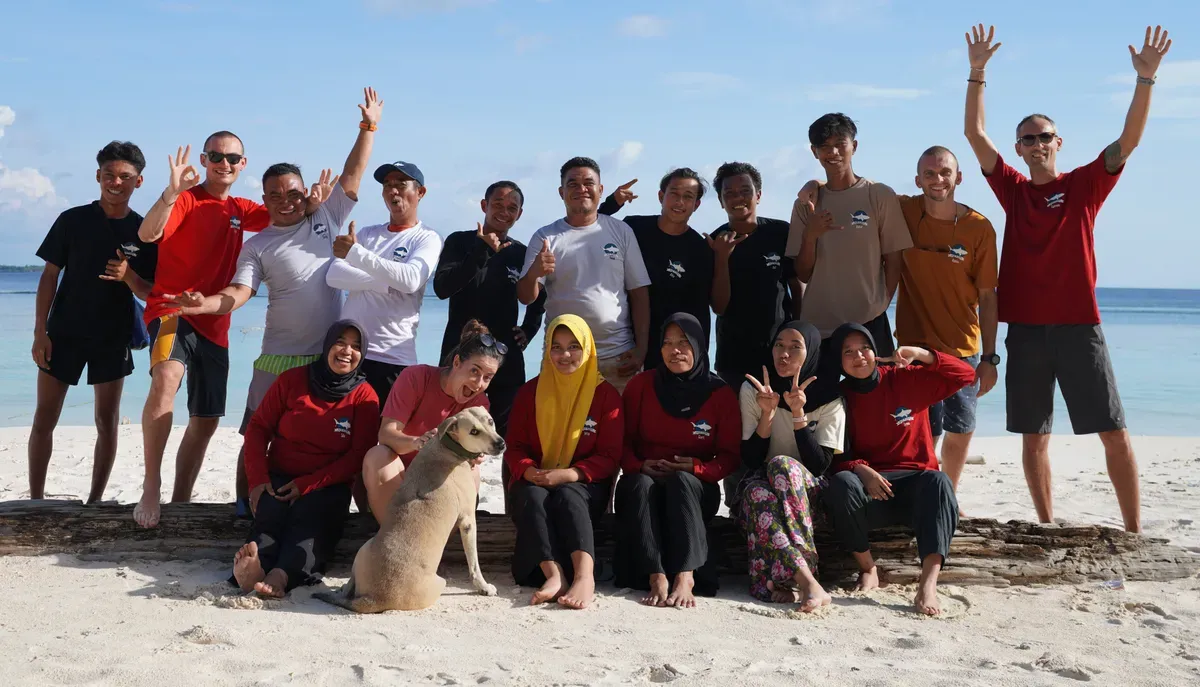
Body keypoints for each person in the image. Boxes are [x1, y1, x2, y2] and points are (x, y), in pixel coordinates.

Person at [963, 24, 1172, 532]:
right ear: (1019, 148)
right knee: (1034, 437)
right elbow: (974, 135)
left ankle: (1134, 532)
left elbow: (1129, 141)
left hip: (1081, 327)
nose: (1037, 144)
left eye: (1045, 137)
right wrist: (977, 73)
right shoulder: (1014, 191)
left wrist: (1145, 81)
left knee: (1114, 432)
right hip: (1029, 332)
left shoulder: (1083, 186)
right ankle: (1047, 525)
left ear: (1059, 142)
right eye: (1028, 138)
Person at [162, 87, 382, 516]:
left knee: (336, 439)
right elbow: (238, 294)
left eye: (293, 194)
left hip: (327, 358)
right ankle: (245, 507)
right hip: (277, 358)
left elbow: (354, 174)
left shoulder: (325, 217)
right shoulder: (257, 245)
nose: (286, 202)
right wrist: (201, 304)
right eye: (275, 197)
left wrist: (368, 127)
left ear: (306, 194)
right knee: (256, 436)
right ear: (263, 201)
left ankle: (347, 513)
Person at [796, 145, 999, 498]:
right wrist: (814, 183)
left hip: (963, 344)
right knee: (918, 426)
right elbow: (850, 187)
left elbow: (988, 296)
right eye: (930, 174)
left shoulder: (978, 227)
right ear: (918, 179)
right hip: (912, 343)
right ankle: (922, 486)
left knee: (961, 427)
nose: (938, 180)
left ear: (959, 177)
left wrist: (991, 358)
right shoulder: (904, 209)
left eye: (945, 173)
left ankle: (947, 493)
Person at [133, 131, 286, 528]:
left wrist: (318, 203)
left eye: (233, 158)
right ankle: (152, 484)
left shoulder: (241, 208)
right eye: (216, 156)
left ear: (243, 164)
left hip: (215, 321)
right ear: (203, 160)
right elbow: (148, 234)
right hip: (171, 310)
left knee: (205, 420)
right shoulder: (185, 198)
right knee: (166, 377)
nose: (225, 163)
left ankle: (180, 500)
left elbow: (287, 215)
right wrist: (169, 193)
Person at [30, 141, 157, 503]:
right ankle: (35, 501)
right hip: (64, 333)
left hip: (113, 336)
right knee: (44, 418)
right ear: (98, 176)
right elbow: (49, 276)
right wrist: (40, 332)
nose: (115, 182)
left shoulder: (144, 231)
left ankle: (95, 501)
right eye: (108, 175)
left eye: (125, 177)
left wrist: (129, 276)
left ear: (139, 181)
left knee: (107, 420)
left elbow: (152, 292)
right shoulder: (72, 220)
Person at [822, 323, 974, 616]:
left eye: (864, 348)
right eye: (848, 352)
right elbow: (832, 454)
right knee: (841, 483)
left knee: (940, 481)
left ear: (876, 351)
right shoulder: (837, 397)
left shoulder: (905, 379)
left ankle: (928, 584)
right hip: (871, 493)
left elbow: (966, 375)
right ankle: (868, 568)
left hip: (917, 488)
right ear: (839, 361)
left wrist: (920, 353)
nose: (859, 357)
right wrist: (861, 470)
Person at [232, 321, 380, 597]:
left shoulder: (364, 396)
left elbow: (359, 455)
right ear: (326, 346)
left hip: (328, 484)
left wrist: (308, 484)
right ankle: (254, 568)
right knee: (270, 515)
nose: (347, 351)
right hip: (279, 477)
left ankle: (281, 574)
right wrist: (258, 480)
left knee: (311, 521)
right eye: (341, 342)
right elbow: (258, 428)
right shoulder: (292, 380)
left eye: (356, 346)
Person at [785, 113, 911, 409]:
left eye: (840, 144)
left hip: (868, 323)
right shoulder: (807, 203)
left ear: (854, 145)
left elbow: (894, 258)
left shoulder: (877, 194)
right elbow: (802, 273)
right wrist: (811, 235)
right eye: (824, 146)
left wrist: (881, 302)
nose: (833, 152)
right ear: (815, 153)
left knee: (879, 406)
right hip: (820, 325)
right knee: (825, 409)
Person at [614, 313, 738, 608]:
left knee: (682, 481)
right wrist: (639, 465)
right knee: (638, 484)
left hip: (695, 488)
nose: (675, 350)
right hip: (646, 480)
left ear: (699, 346)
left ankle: (686, 575)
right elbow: (622, 441)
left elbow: (731, 456)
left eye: (683, 342)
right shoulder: (641, 385)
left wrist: (696, 468)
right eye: (667, 343)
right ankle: (655, 574)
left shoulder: (720, 393)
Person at [503, 315, 622, 609]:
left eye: (573, 347)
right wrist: (530, 471)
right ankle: (554, 575)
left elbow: (609, 457)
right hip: (538, 478)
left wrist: (570, 474)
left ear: (587, 349)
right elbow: (514, 448)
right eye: (556, 347)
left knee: (568, 495)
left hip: (584, 483)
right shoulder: (530, 392)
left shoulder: (605, 395)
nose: (564, 355)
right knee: (529, 493)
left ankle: (584, 577)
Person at [734, 321, 844, 612]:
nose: (784, 354)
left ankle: (778, 580)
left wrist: (798, 414)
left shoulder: (830, 396)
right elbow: (752, 459)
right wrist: (767, 413)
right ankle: (806, 580)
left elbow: (820, 465)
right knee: (759, 493)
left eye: (795, 348)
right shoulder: (755, 389)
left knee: (783, 465)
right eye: (779, 346)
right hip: (764, 483)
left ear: (811, 353)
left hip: (809, 495)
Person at [517, 157, 652, 394]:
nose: (581, 189)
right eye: (573, 184)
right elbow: (526, 297)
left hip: (617, 357)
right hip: (563, 359)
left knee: (620, 430)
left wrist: (641, 350)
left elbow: (639, 293)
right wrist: (534, 273)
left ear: (600, 190)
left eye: (589, 183)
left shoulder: (621, 231)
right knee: (561, 431)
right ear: (561, 192)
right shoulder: (545, 237)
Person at [433, 180, 545, 438]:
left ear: (520, 214)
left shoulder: (521, 253)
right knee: (453, 431)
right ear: (484, 205)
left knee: (508, 434)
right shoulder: (459, 242)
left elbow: (540, 297)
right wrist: (481, 251)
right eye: (497, 204)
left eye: (512, 207)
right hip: (460, 352)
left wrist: (528, 330)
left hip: (505, 356)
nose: (504, 211)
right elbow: (442, 288)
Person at [360, 321, 503, 523]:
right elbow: (386, 434)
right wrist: (418, 442)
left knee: (473, 471)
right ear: (456, 362)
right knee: (377, 456)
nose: (479, 383)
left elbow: (470, 458)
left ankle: (436, 544)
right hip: (400, 481)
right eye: (474, 371)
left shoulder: (479, 404)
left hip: (439, 487)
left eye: (487, 377)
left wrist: (474, 454)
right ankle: (393, 535)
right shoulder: (416, 377)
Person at [326, 158, 442, 404]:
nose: (393, 190)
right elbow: (334, 275)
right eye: (387, 185)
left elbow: (411, 280)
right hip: (351, 354)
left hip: (393, 357)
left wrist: (356, 254)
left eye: (401, 183)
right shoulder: (368, 233)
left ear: (420, 192)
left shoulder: (427, 238)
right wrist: (385, 281)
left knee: (383, 437)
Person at [596, 170, 714, 371]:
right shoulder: (634, 227)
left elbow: (700, 311)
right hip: (623, 341)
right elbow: (591, 228)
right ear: (661, 196)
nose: (679, 202)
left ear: (696, 204)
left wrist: (699, 359)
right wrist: (612, 203)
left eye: (688, 197)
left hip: (669, 349)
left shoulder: (700, 249)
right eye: (674, 194)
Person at [707, 162, 800, 390]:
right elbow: (718, 307)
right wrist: (721, 258)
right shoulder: (714, 242)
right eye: (729, 193)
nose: (738, 198)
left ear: (758, 195)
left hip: (780, 353)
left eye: (745, 191)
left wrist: (799, 333)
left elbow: (797, 285)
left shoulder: (780, 233)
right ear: (720, 201)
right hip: (734, 357)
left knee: (783, 422)